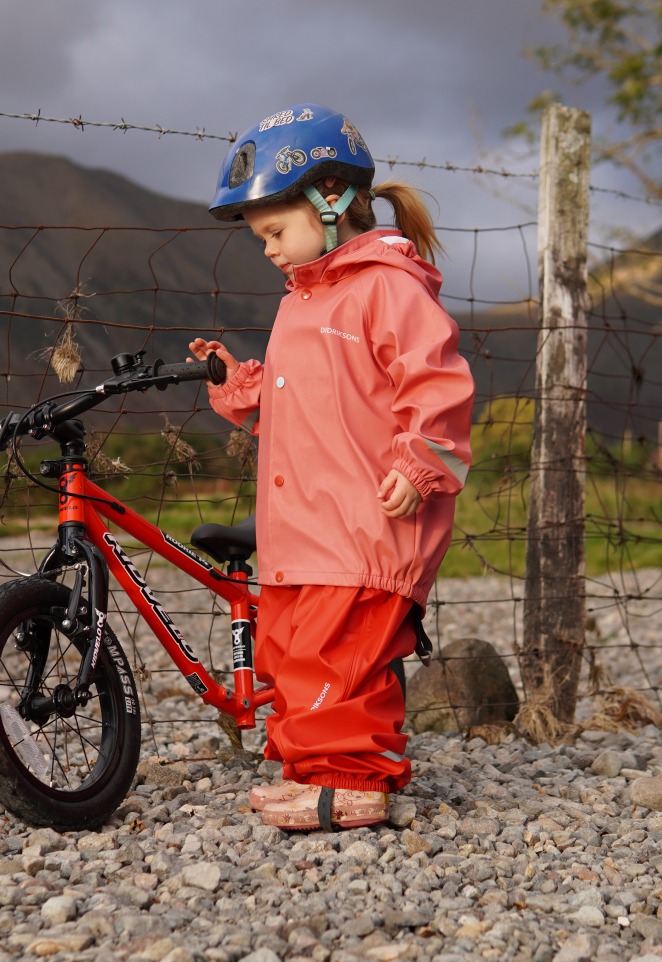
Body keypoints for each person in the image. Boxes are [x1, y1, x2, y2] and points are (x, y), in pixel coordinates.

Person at [188, 103, 474, 831]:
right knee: (292, 653)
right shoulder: (304, 303)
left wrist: (419, 462)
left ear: (331, 199)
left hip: (365, 521)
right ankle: (316, 770)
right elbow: (301, 391)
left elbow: (435, 384)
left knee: (337, 657)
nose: (269, 251)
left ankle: (351, 780)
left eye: (275, 232)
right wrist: (238, 386)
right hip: (303, 528)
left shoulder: (386, 287)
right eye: (260, 239)